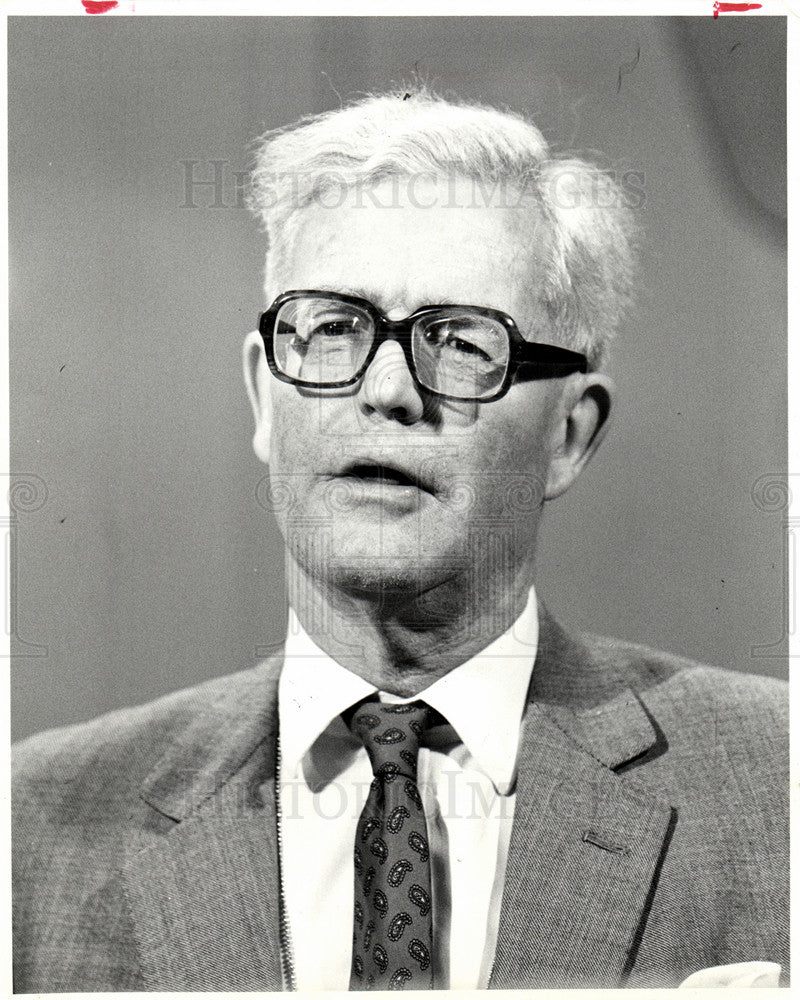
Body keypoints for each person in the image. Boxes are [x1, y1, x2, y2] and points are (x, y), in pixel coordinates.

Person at [12, 89, 788, 992]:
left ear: (570, 434)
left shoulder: (781, 785)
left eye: (460, 343)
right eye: (334, 328)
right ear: (266, 398)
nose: (386, 391)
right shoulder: (34, 824)